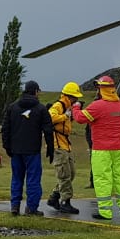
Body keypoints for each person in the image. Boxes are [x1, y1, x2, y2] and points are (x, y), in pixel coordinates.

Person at [74, 75, 120, 221]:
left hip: (102, 149)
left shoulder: (98, 106)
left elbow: (80, 118)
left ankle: (105, 212)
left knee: (102, 179)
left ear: (101, 89)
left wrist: (75, 107)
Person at [0, 80, 54, 216]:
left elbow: (5, 128)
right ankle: (31, 208)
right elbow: (48, 130)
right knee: (33, 180)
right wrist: (50, 148)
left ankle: (15, 206)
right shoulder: (41, 109)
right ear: (36, 91)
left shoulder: (12, 107)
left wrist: (7, 146)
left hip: (16, 150)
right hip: (32, 151)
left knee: (16, 178)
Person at [46, 82, 84, 214]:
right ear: (69, 96)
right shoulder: (59, 105)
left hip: (65, 145)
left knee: (71, 173)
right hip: (58, 145)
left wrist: (70, 116)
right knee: (64, 175)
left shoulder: (67, 107)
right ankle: (65, 202)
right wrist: (65, 116)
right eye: (75, 97)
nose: (76, 100)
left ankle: (54, 197)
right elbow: (49, 117)